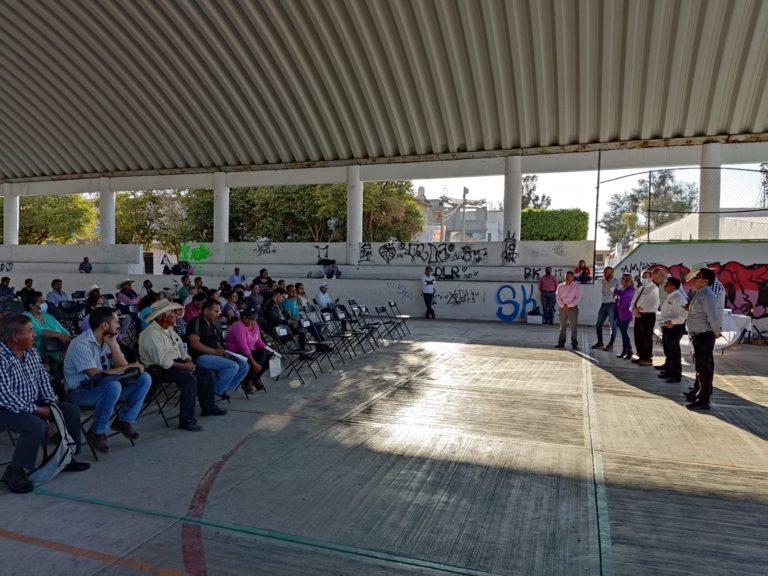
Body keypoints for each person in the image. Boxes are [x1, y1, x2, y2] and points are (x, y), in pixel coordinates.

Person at [0, 314, 90, 493]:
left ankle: (66, 456)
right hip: (5, 408)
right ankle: (15, 472)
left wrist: (52, 402)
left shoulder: (31, 352)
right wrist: (36, 409)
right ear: (16, 337)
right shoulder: (2, 357)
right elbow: (4, 394)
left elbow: (42, 380)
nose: (35, 335)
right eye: (30, 331)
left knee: (70, 410)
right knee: (34, 426)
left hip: (32, 402)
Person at [63, 308, 152, 453]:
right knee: (114, 386)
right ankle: (97, 432)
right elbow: (95, 375)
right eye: (116, 322)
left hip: (104, 387)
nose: (119, 325)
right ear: (105, 325)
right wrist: (130, 366)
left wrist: (113, 345)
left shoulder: (106, 340)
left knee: (144, 378)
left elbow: (121, 367)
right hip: (81, 392)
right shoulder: (80, 344)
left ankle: (123, 420)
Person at [138, 299, 225, 431]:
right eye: (173, 312)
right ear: (164, 316)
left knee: (206, 373)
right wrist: (184, 366)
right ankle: (186, 420)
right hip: (159, 368)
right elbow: (163, 361)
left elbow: (180, 349)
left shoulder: (169, 329)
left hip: (176, 363)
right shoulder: (150, 334)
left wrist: (187, 359)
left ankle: (208, 407)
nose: (177, 315)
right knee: (189, 380)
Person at [186, 300, 248, 398]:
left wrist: (224, 352)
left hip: (214, 355)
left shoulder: (213, 324)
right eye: (216, 311)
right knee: (232, 366)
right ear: (206, 311)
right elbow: (195, 344)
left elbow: (217, 343)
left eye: (219, 311)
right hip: (200, 357)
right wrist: (215, 351)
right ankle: (212, 392)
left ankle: (223, 388)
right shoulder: (197, 322)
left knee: (244, 365)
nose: (219, 314)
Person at [684, 268, 721, 410]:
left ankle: (703, 400)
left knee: (704, 369)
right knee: (701, 368)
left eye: (697, 277)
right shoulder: (700, 293)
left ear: (705, 281)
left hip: (703, 336)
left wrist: (716, 332)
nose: (693, 279)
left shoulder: (707, 295)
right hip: (697, 335)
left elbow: (713, 316)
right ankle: (701, 394)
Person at [226, 306, 273, 394]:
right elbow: (243, 347)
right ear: (244, 317)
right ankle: (247, 380)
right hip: (237, 352)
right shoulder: (239, 327)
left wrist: (267, 349)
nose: (251, 321)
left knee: (270, 356)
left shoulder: (255, 324)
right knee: (260, 356)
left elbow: (258, 341)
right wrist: (254, 363)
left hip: (251, 350)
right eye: (249, 318)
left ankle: (255, 378)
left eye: (254, 319)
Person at [656, 277, 688, 383]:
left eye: (667, 285)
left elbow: (684, 314)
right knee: (668, 351)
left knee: (674, 352)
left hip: (674, 327)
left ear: (673, 286)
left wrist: (672, 322)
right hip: (667, 327)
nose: (665, 286)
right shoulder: (671, 296)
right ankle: (669, 371)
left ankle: (676, 375)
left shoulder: (679, 297)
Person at [23, 291, 71, 357]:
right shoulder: (26, 317)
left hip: (60, 349)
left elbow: (63, 330)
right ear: (31, 306)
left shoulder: (47, 316)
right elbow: (39, 331)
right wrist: (59, 335)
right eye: (41, 302)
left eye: (44, 301)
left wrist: (67, 336)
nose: (44, 304)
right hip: (41, 353)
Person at [630, 269, 660, 366]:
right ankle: (641, 356)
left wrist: (637, 309)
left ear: (651, 278)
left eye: (646, 277)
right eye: (642, 277)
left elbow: (650, 302)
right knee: (638, 337)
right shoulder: (641, 288)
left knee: (646, 337)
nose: (643, 279)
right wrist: (633, 309)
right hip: (639, 315)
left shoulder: (654, 288)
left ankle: (647, 359)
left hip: (648, 315)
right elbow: (633, 301)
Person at [592, 267, 618, 350]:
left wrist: (609, 282)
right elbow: (606, 291)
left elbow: (613, 291)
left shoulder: (616, 281)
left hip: (612, 305)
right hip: (604, 304)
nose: (605, 273)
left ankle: (611, 344)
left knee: (613, 325)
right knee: (598, 324)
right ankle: (600, 342)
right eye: (604, 272)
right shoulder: (603, 281)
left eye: (607, 272)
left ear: (612, 272)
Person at [612, 274, 636, 359]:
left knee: (624, 333)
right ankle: (625, 351)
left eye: (623, 279)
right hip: (620, 313)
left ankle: (629, 350)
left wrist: (615, 291)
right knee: (623, 333)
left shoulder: (631, 289)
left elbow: (624, 296)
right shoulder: (624, 288)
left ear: (627, 280)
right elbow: (620, 297)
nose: (621, 281)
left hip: (626, 313)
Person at [555, 271, 580, 349]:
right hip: (562, 308)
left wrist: (568, 305)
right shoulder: (560, 286)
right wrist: (563, 306)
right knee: (562, 326)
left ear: (573, 277)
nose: (567, 277)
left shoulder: (576, 286)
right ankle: (561, 343)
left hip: (572, 308)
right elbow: (558, 297)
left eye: (569, 276)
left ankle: (574, 344)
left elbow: (577, 298)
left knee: (573, 326)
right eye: (566, 276)